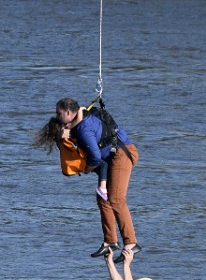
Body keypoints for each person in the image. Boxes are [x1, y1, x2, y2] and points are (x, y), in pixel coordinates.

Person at [54, 97, 141, 262]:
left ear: (68, 112)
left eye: (59, 113)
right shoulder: (81, 115)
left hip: (123, 154)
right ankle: (110, 241)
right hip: (114, 156)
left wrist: (87, 169)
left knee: (116, 198)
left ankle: (131, 243)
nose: (57, 117)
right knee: (103, 198)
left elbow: (94, 157)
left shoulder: (83, 129)